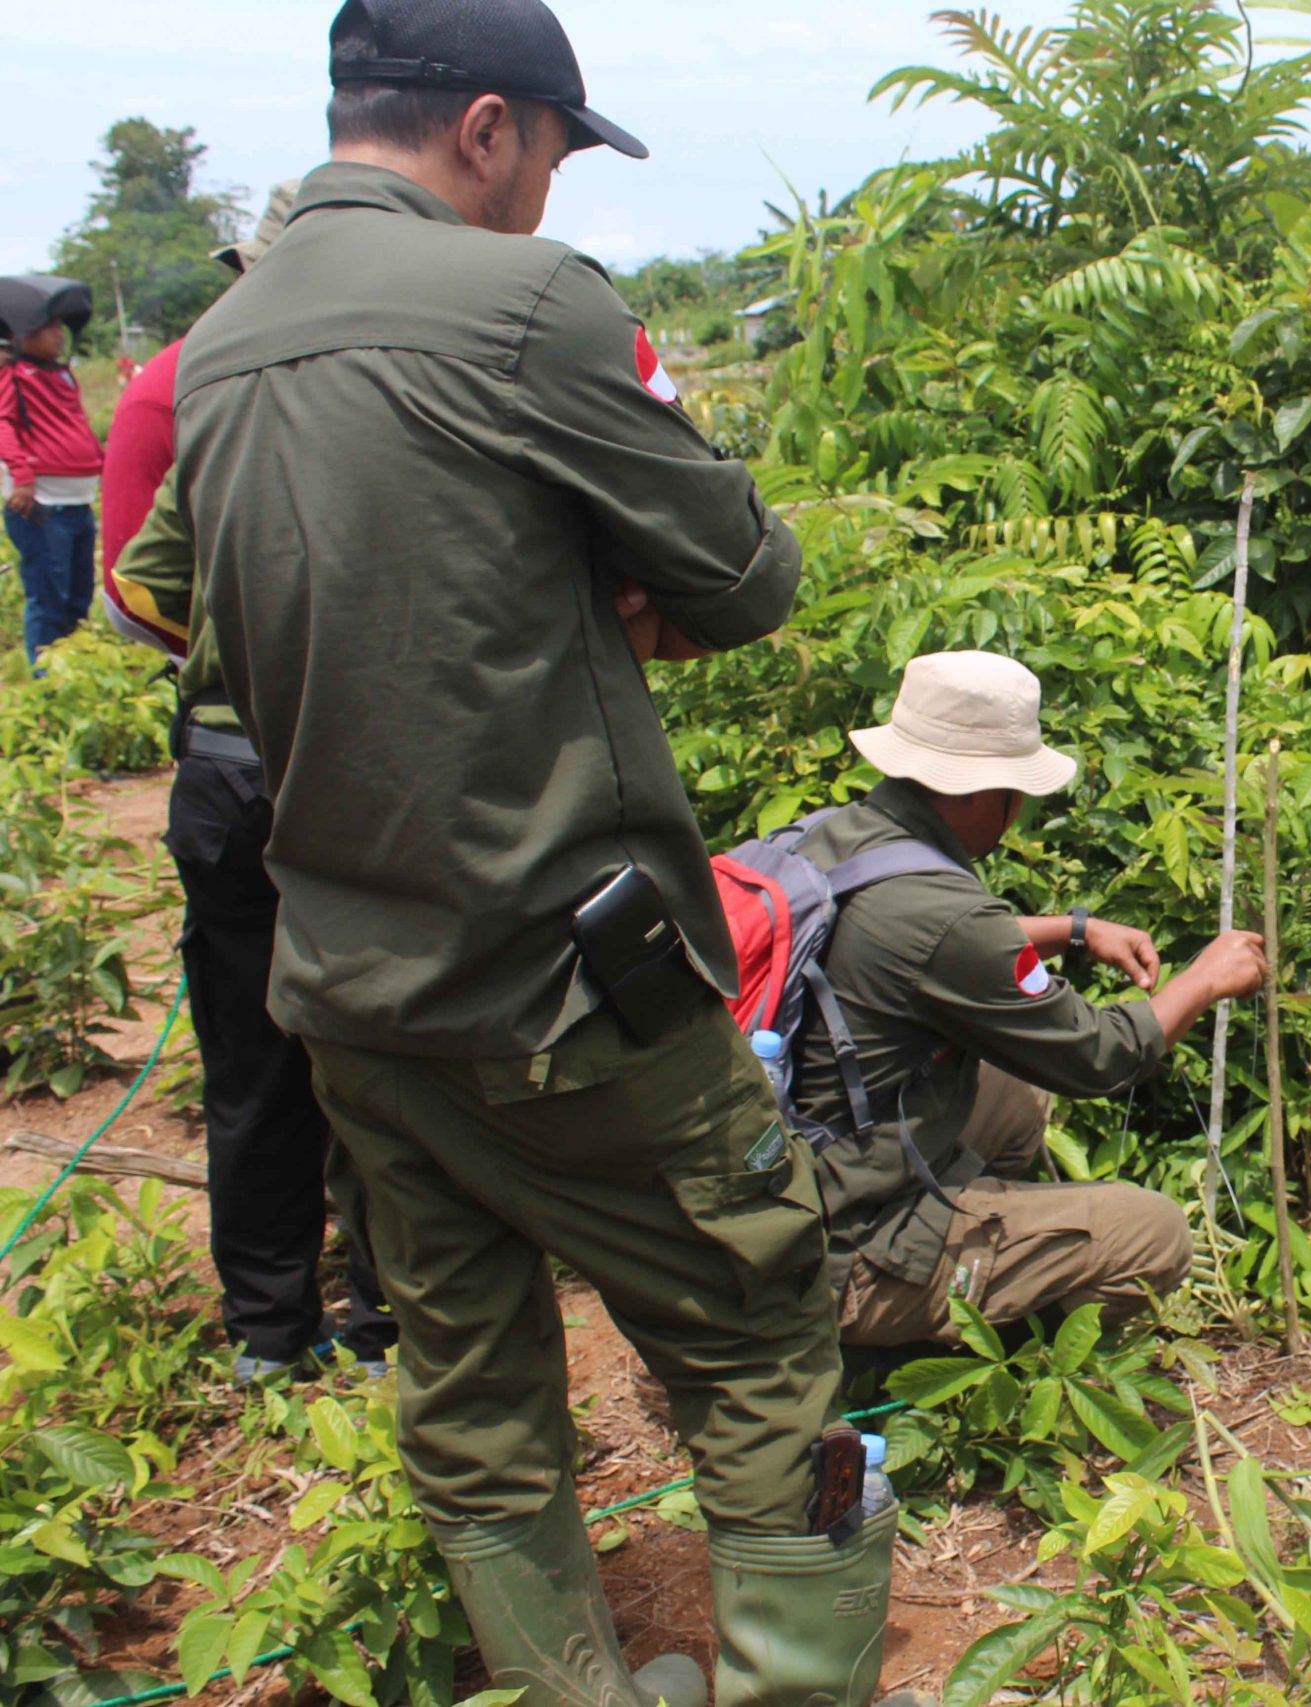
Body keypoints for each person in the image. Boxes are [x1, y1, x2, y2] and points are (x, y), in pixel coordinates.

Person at [121, 3, 893, 1703]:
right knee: (760, 1327)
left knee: (471, 1386)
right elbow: (741, 577)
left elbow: (162, 601)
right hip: (569, 990)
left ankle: (576, 1689)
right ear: (487, 129)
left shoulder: (221, 344)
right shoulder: (531, 303)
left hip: (349, 990)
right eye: (550, 149)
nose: (548, 186)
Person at [101, 180, 400, 1387]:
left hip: (232, 764)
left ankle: (271, 1336)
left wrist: (241, 660)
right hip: (368, 767)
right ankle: (391, 1322)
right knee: (390, 1053)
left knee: (255, 1062)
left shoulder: (196, 384)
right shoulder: (403, 384)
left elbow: (138, 593)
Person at [790, 651, 1269, 1348]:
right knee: (1154, 1234)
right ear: (986, 792)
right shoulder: (946, 915)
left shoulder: (835, 833)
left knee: (1011, 1090)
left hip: (798, 1181)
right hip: (842, 1252)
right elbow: (1100, 1054)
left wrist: (1073, 930)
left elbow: (921, 947)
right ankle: (952, 1343)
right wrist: (1204, 977)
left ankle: (980, 1252)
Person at [0, 276, 104, 671]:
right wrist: (23, 476)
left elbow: (76, 424)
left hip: (77, 502)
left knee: (79, 595)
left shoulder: (61, 376)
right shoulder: (12, 376)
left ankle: (75, 667)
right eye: (50, 327)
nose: (59, 335)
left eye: (62, 326)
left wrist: (103, 459)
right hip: (43, 505)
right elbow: (2, 424)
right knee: (48, 595)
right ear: (24, 333)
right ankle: (47, 675)